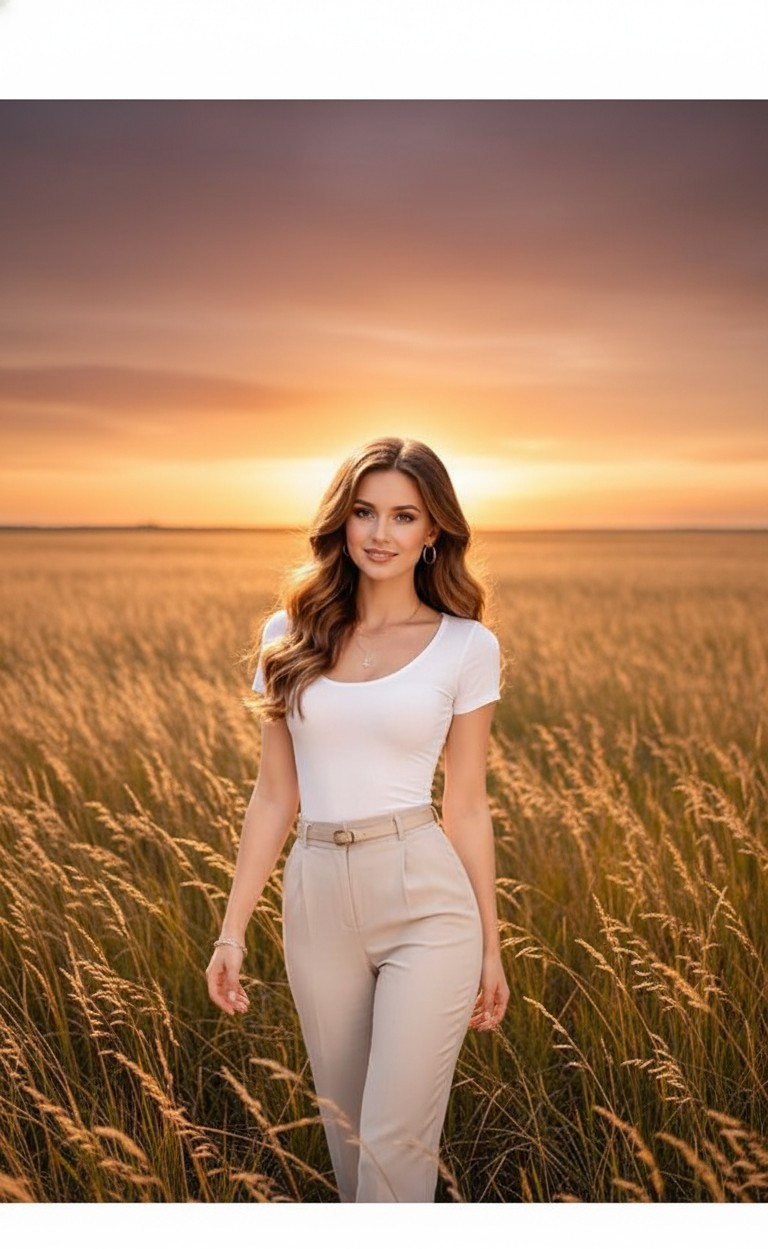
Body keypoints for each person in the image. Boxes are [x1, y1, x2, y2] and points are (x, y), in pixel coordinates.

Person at [205, 435, 510, 1202]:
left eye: (404, 516)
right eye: (364, 512)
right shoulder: (289, 635)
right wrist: (232, 928)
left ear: (433, 530)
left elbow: (467, 802)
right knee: (349, 1147)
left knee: (390, 1151)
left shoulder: (467, 646)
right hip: (316, 899)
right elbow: (275, 795)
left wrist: (491, 946)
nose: (380, 533)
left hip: (426, 899)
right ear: (341, 523)